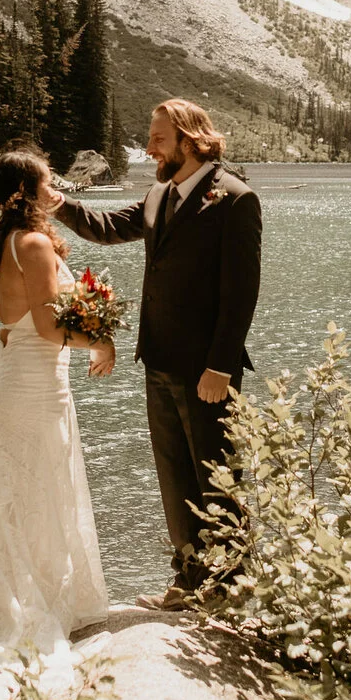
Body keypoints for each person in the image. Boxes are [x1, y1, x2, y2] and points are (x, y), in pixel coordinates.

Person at [56, 98, 262, 608]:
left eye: (158, 139)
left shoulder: (234, 199)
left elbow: (242, 293)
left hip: (208, 369)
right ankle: (189, 578)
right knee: (174, 475)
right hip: (159, 359)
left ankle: (231, 584)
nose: (149, 148)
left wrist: (220, 364)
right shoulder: (157, 196)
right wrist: (55, 203)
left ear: (190, 141)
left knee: (216, 474)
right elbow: (105, 229)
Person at [0, 148, 113, 672]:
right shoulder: (31, 243)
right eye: (48, 181)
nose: (56, 187)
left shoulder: (14, 240)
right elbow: (52, 328)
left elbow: (18, 324)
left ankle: (47, 605)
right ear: (27, 192)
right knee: (28, 497)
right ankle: (29, 618)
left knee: (35, 495)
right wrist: (101, 342)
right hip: (28, 390)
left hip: (33, 384)